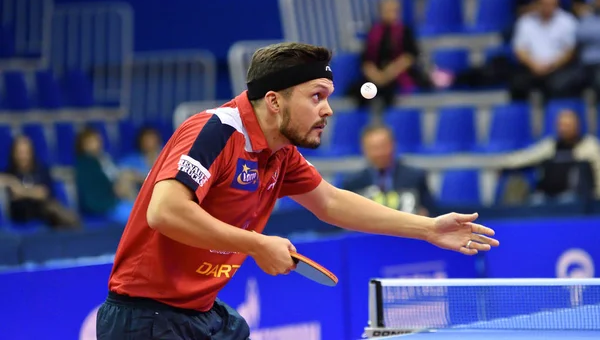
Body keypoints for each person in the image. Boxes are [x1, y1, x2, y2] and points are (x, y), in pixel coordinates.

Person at [96, 42, 499, 340]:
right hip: (145, 320)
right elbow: (163, 211)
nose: (328, 109)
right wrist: (255, 244)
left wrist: (426, 228)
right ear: (273, 101)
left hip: (199, 313)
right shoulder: (215, 131)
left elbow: (331, 202)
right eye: (316, 97)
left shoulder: (280, 153)